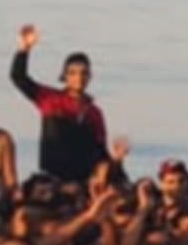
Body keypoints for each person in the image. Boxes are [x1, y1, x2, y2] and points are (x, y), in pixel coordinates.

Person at [10, 25, 113, 183]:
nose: (79, 77)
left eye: (83, 73)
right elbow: (19, 78)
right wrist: (24, 49)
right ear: (64, 76)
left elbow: (101, 151)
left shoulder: (94, 112)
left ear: (90, 76)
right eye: (73, 73)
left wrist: (116, 163)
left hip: (83, 177)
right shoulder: (50, 99)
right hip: (53, 175)